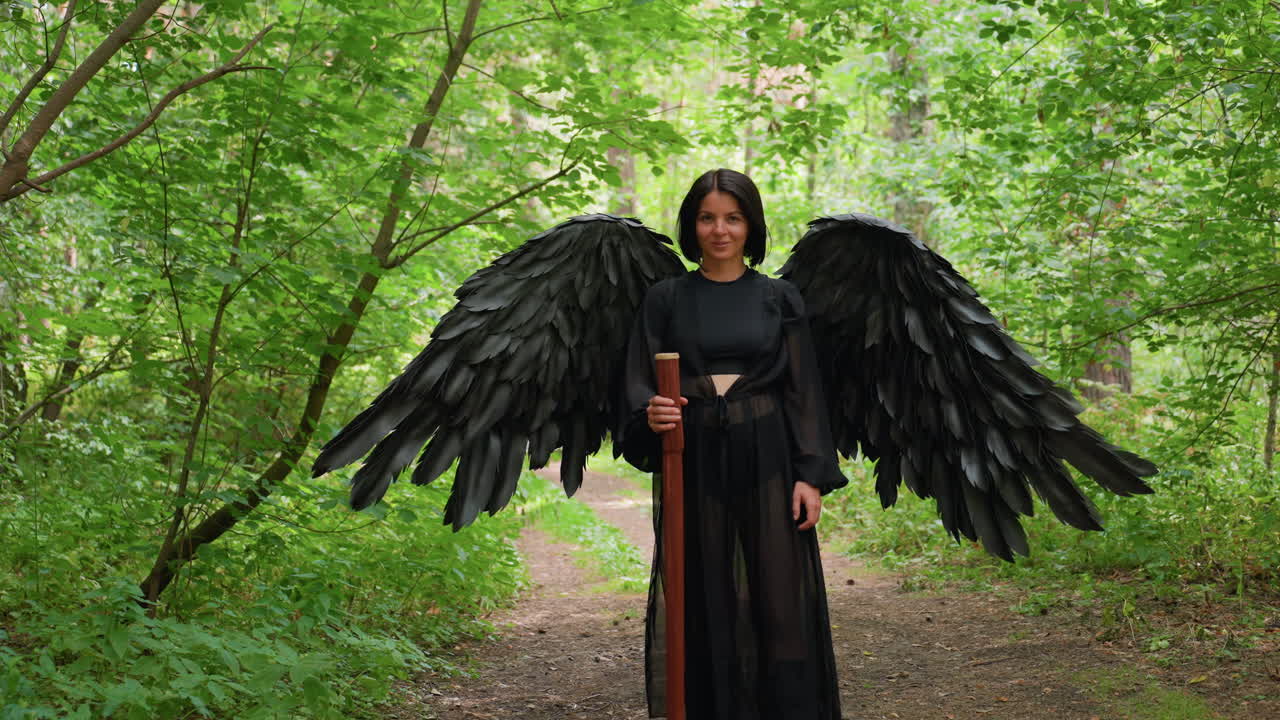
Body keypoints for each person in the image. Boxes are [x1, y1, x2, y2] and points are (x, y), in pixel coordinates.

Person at [618, 168, 847, 719]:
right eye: (707, 218)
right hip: (691, 459)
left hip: (768, 455)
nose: (719, 230)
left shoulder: (778, 297)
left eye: (733, 218)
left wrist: (809, 474)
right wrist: (651, 409)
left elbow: (803, 390)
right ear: (691, 224)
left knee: (779, 600)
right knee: (702, 598)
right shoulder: (665, 298)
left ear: (751, 225)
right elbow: (635, 382)